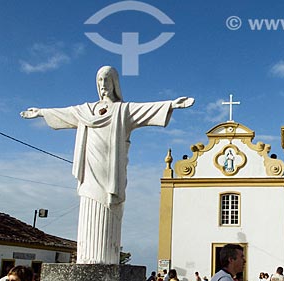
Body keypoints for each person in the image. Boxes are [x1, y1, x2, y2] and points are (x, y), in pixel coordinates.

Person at [20, 65, 195, 264]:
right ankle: (87, 258)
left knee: (109, 203)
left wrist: (172, 104)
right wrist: (41, 112)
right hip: (89, 168)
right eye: (100, 80)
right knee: (89, 199)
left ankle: (106, 258)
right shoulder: (84, 111)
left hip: (111, 169)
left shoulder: (123, 110)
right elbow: (64, 113)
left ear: (114, 84)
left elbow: (147, 109)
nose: (103, 84)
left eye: (107, 80)